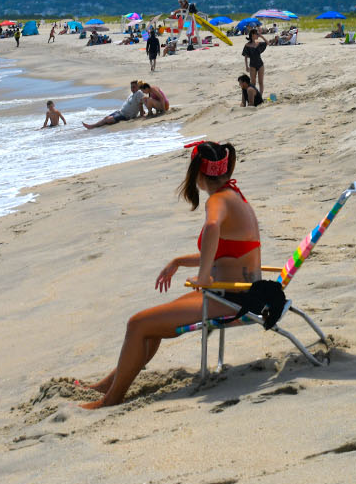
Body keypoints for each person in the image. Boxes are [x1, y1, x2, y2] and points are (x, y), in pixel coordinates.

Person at [76, 141, 259, 409]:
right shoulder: (234, 195)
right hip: (236, 292)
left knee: (137, 324)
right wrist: (179, 261)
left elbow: (211, 229)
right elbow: (228, 252)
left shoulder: (218, 201)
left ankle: (110, 400)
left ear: (197, 172)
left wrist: (205, 276)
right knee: (151, 324)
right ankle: (108, 384)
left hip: (232, 299)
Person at [83, 82, 150, 129]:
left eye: (134, 87)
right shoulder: (133, 94)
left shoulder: (139, 93)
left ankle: (92, 126)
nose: (132, 88)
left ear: (138, 87)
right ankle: (93, 126)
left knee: (108, 120)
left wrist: (142, 114)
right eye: (131, 87)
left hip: (126, 116)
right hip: (120, 112)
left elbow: (140, 104)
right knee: (106, 118)